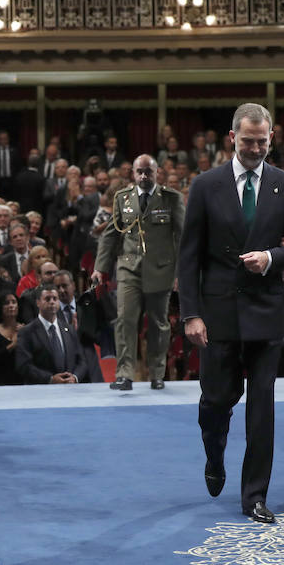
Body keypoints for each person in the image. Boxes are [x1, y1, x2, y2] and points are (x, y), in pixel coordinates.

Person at [178, 103, 284, 524]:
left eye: (263, 141)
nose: (255, 148)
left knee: (262, 409)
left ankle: (254, 496)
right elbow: (189, 256)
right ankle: (214, 454)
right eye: (248, 141)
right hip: (217, 314)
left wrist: (271, 258)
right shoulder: (205, 185)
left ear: (272, 139)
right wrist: (191, 315)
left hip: (266, 313)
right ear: (232, 137)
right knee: (217, 400)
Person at [92, 154, 184, 390]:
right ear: (133, 173)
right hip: (128, 269)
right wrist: (100, 268)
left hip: (160, 269)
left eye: (148, 172)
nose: (144, 176)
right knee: (124, 320)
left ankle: (157, 374)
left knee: (158, 324)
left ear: (157, 173)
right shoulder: (123, 198)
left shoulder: (171, 198)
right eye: (139, 172)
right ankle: (124, 374)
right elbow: (110, 234)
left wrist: (181, 273)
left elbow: (183, 237)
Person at [14, 284, 86, 384]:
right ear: (38, 303)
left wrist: (75, 377)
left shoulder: (69, 329)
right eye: (47, 299)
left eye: (55, 299)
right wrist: (50, 379)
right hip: (41, 391)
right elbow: (23, 365)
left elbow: (81, 360)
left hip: (70, 390)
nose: (52, 302)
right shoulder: (27, 332)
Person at [0, 293, 24, 385]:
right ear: (0, 307)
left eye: (14, 302)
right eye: (7, 303)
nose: (11, 305)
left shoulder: (25, 329)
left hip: (20, 382)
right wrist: (12, 345)